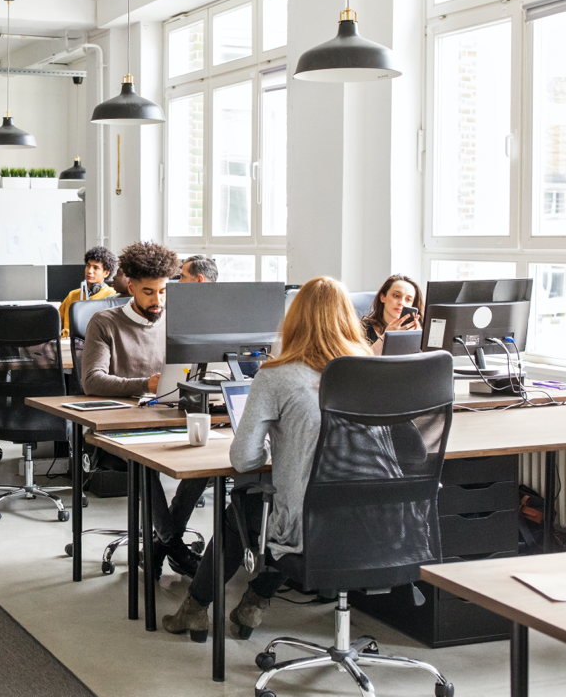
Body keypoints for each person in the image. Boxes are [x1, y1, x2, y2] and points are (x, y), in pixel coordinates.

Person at [163, 276, 373, 642]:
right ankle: (253, 605)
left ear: (292, 320)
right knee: (288, 506)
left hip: (305, 526)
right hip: (375, 521)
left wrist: (276, 450)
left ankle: (195, 609)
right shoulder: (377, 372)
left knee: (244, 510)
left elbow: (243, 460)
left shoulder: (276, 375)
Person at [80, 241, 204, 578]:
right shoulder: (104, 322)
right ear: (131, 286)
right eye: (149, 292)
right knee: (143, 462)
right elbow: (92, 381)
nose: (157, 301)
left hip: (169, 415)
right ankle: (174, 545)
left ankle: (161, 543)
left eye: (163, 292)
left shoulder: (176, 321)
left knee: (209, 460)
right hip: (117, 427)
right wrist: (144, 384)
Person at [58, 245, 119, 337]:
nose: (89, 271)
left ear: (106, 273)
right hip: (68, 344)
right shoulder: (73, 295)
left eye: (96, 268)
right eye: (88, 266)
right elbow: (55, 323)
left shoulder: (112, 296)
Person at [360, 274, 425, 356]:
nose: (401, 302)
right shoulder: (362, 329)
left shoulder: (418, 330)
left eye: (408, 299)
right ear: (383, 297)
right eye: (396, 296)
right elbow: (361, 364)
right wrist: (385, 337)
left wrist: (416, 340)